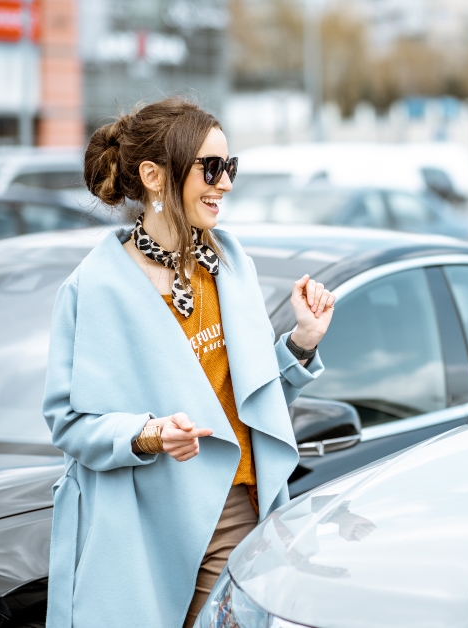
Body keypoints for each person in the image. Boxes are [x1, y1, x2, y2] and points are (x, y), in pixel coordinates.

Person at [43, 96, 336, 628]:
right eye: (211, 167)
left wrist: (301, 342)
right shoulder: (96, 288)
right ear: (154, 175)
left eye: (230, 167)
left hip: (239, 508)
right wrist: (149, 433)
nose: (225, 182)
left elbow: (248, 399)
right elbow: (67, 422)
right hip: (144, 525)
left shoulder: (229, 262)